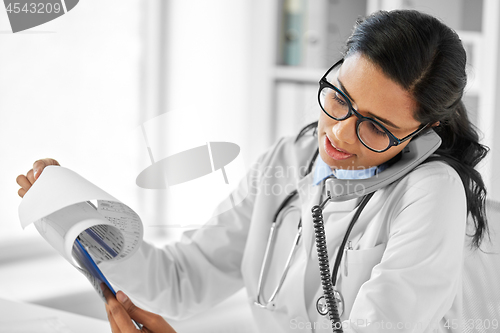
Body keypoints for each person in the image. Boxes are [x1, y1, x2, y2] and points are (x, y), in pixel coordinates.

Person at [16, 9, 490, 333]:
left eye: (377, 127)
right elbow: (184, 279)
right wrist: (78, 218)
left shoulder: (433, 190)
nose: (342, 135)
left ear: (424, 132)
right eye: (340, 98)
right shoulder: (292, 159)